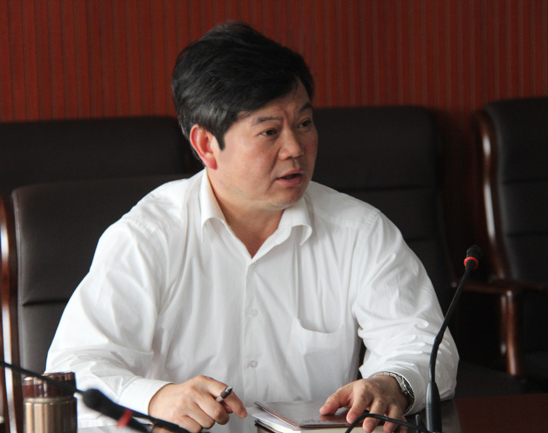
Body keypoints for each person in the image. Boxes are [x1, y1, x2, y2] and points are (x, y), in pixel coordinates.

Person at [46, 21, 458, 433]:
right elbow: (73, 371)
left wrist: (392, 384)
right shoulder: (147, 238)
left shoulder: (360, 231)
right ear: (207, 145)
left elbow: (425, 346)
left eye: (304, 124)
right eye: (269, 132)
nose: (295, 148)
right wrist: (156, 398)